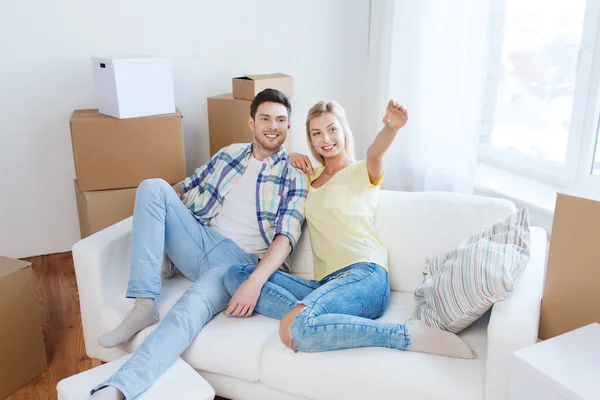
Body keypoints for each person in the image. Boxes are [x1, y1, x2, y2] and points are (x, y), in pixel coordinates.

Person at [91, 89, 308, 400]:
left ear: (289, 126)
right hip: (200, 238)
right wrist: (164, 205)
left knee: (187, 309)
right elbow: (188, 185)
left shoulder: (294, 173)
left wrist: (254, 282)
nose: (272, 126)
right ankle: (143, 305)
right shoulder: (229, 154)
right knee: (153, 187)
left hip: (238, 264)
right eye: (265, 118)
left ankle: (119, 387)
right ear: (251, 122)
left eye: (280, 120)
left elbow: (286, 236)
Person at [222, 99, 475, 359]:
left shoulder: (361, 171)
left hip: (365, 276)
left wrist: (391, 128)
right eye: (316, 133)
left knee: (296, 328)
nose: (325, 139)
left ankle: (404, 335)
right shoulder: (307, 176)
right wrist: (290, 154)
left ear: (344, 131)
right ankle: (313, 317)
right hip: (324, 285)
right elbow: (272, 161)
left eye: (332, 130)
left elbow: (376, 153)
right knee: (236, 275)